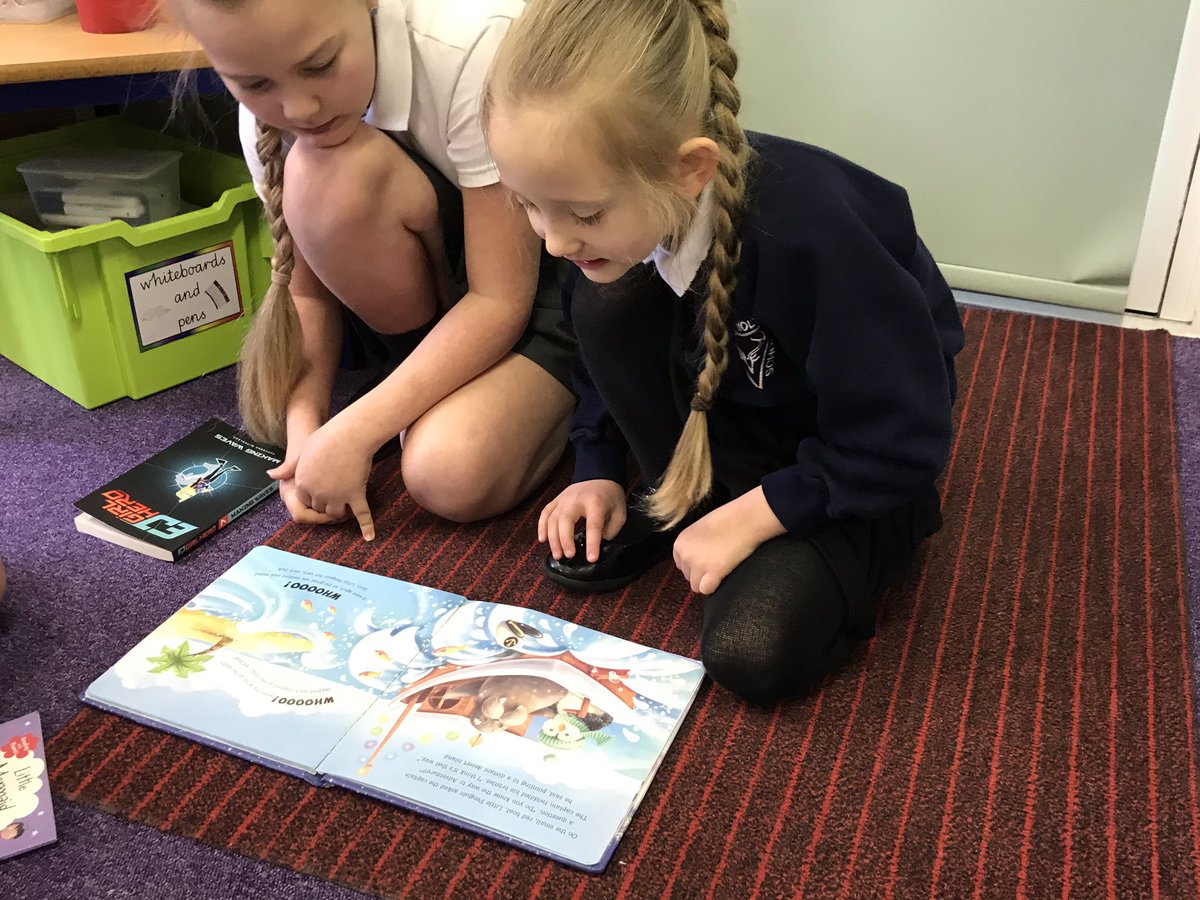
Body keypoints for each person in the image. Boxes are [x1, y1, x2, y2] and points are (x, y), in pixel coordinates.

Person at [483, 0, 965, 702]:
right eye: (528, 203)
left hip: (844, 462)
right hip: (717, 415)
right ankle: (671, 493)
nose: (553, 239)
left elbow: (905, 439)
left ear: (690, 170)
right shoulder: (596, 213)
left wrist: (759, 513)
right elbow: (597, 356)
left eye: (582, 214)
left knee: (751, 651)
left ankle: (742, 513)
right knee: (602, 294)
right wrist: (596, 464)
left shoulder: (819, 239)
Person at [167, 0, 576, 540]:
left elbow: (501, 299)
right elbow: (306, 294)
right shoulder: (271, 115)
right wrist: (305, 436)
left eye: (320, 65)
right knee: (322, 174)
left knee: (447, 475)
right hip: (447, 285)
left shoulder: (474, 45)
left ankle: (586, 394)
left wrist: (358, 429)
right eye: (254, 84)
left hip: (549, 280)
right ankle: (428, 390)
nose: (300, 106)